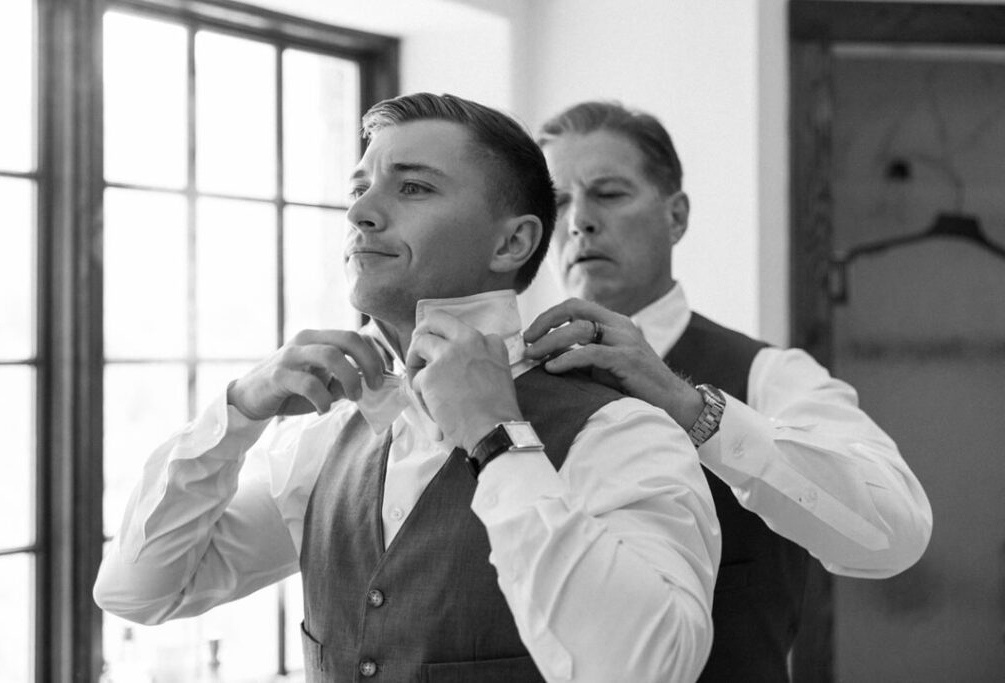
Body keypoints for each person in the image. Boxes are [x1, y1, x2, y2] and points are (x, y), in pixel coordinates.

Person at [93, 93, 722, 682]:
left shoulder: (618, 432)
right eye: (360, 188)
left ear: (513, 242)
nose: (360, 211)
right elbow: (140, 591)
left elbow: (653, 665)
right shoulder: (325, 444)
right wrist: (237, 413)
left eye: (413, 187)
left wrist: (496, 437)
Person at [525, 101, 933, 682]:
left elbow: (896, 535)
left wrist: (696, 413)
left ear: (677, 216)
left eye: (609, 194)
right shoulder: (507, 387)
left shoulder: (770, 374)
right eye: (559, 201)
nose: (579, 221)